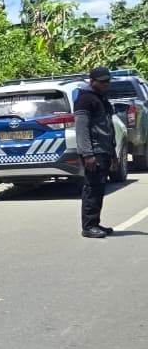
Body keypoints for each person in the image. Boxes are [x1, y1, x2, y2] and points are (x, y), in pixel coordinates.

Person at [75, 66, 117, 239]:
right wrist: (87, 154)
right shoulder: (85, 99)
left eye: (108, 81)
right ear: (92, 81)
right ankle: (89, 226)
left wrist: (113, 153)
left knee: (99, 189)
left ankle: (95, 223)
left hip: (104, 150)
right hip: (93, 151)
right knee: (92, 188)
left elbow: (108, 127)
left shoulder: (101, 98)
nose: (106, 84)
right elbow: (82, 129)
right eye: (102, 82)